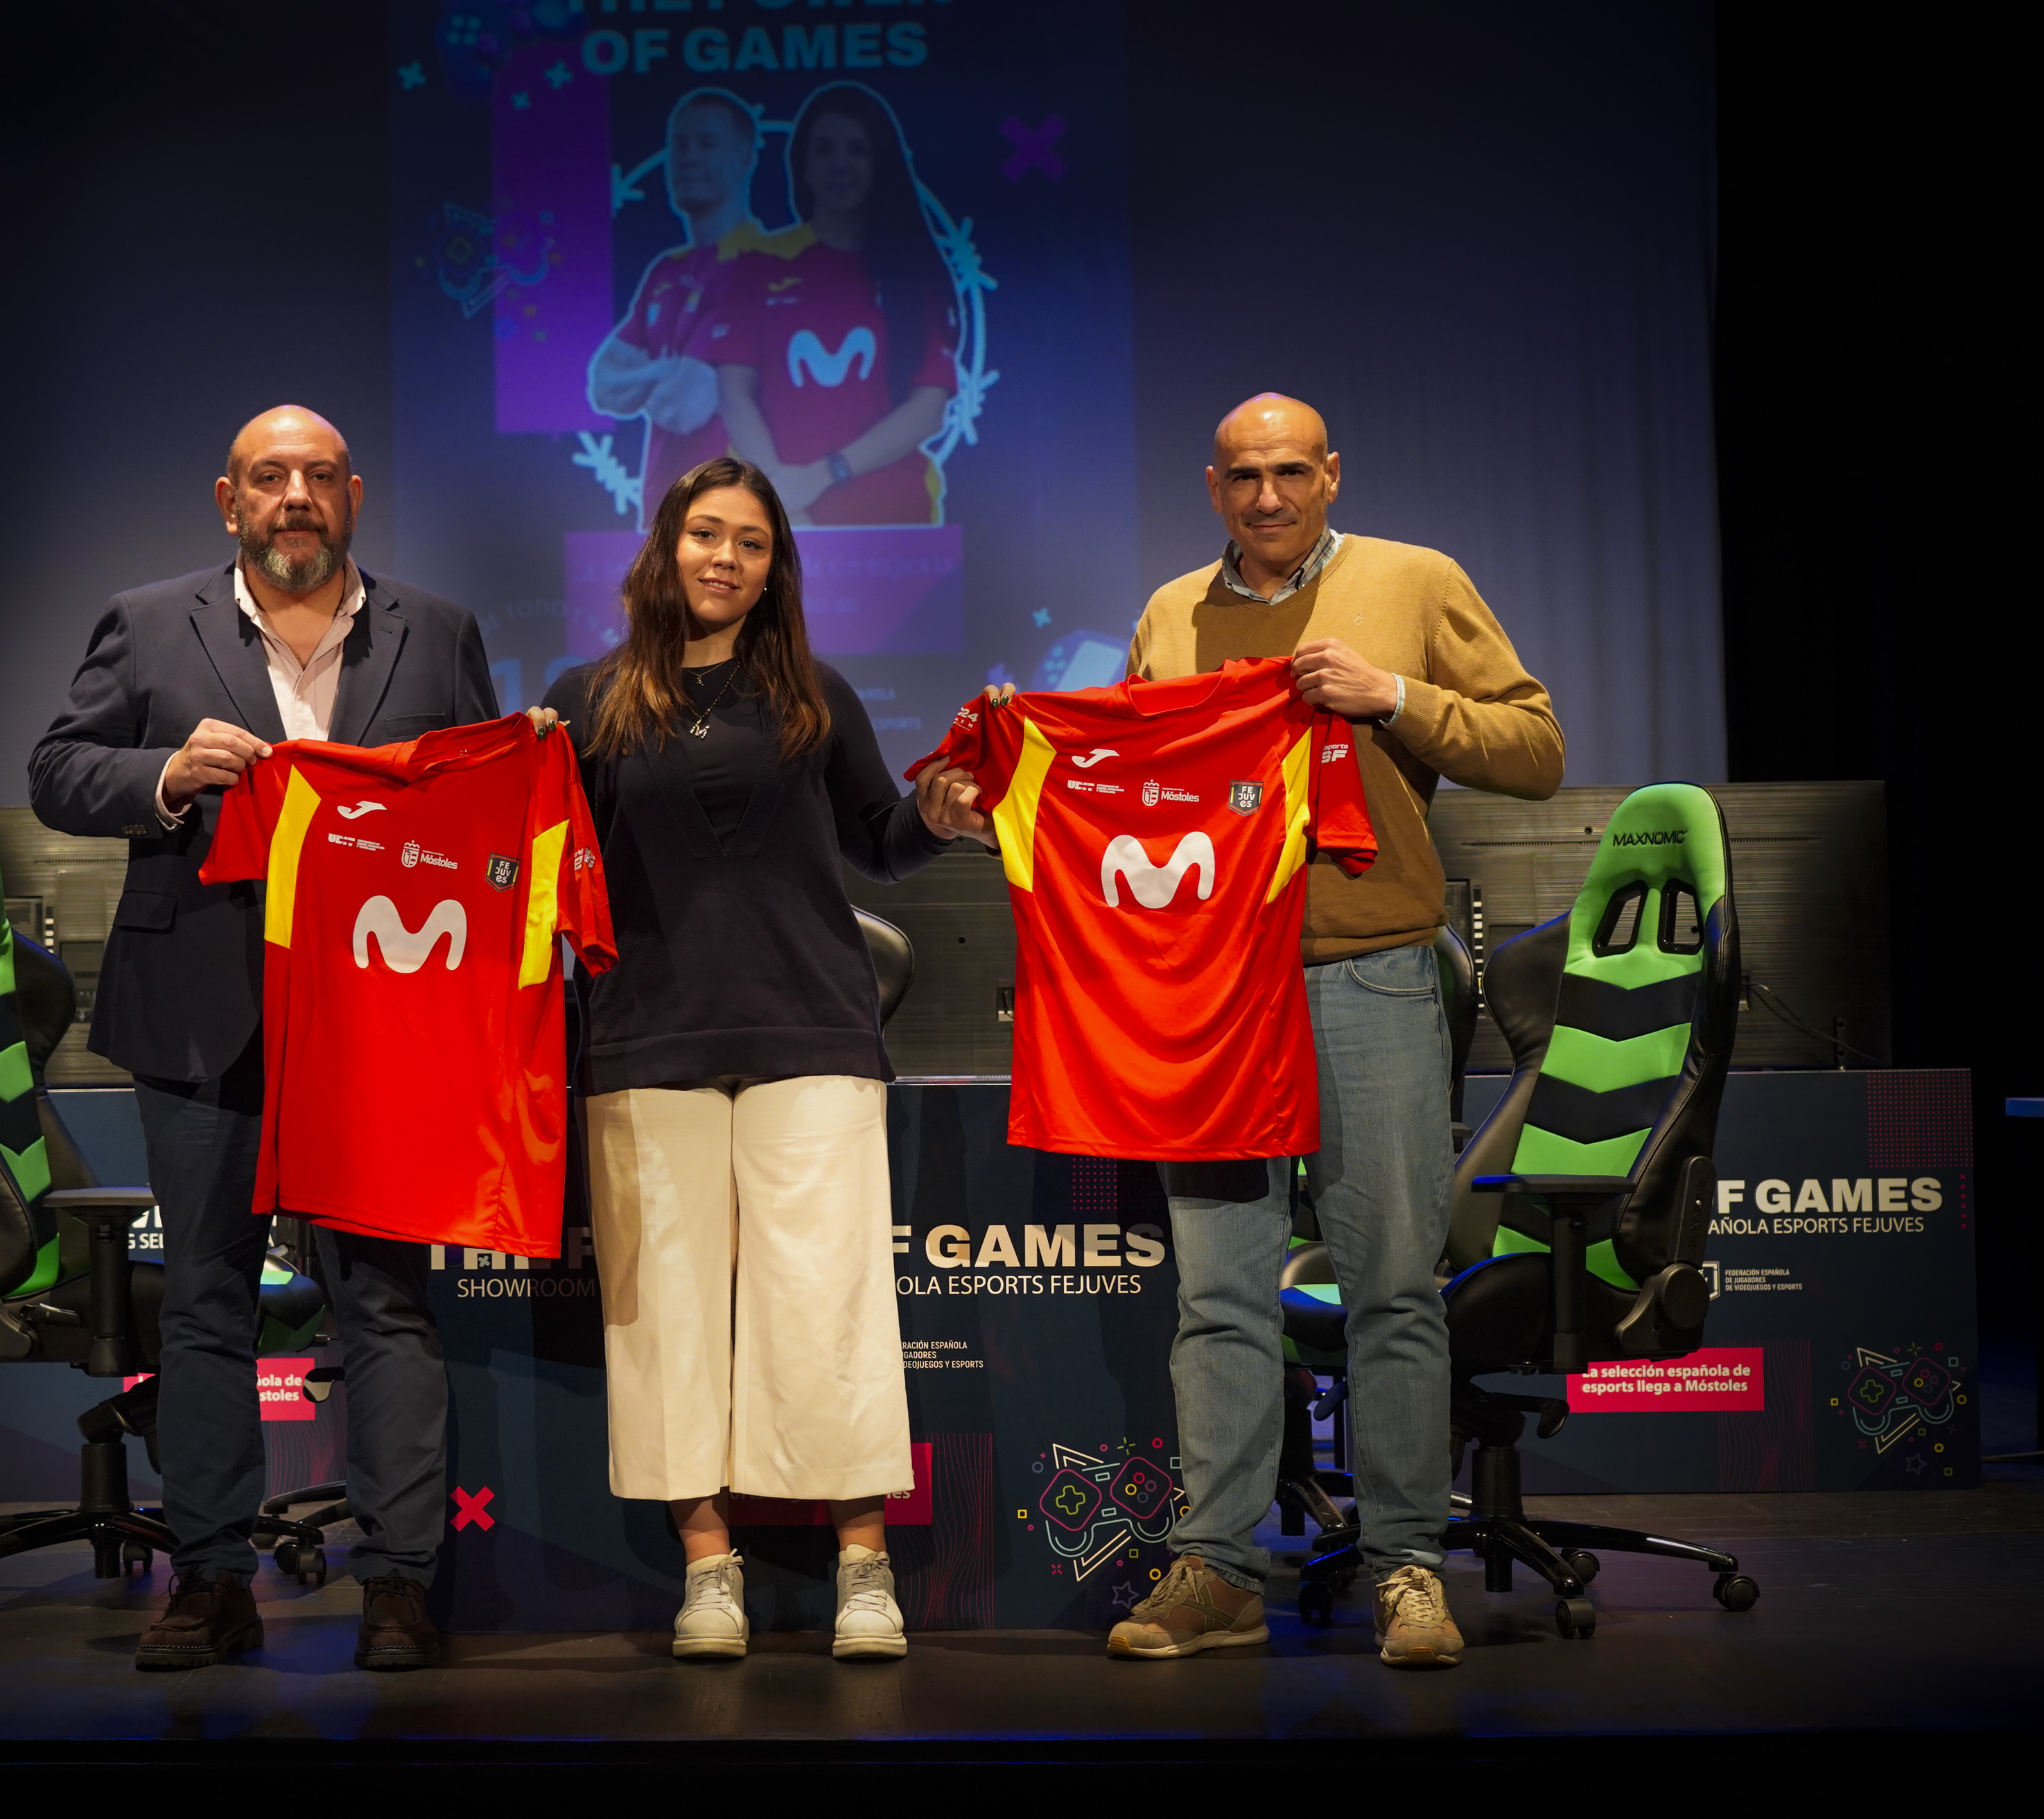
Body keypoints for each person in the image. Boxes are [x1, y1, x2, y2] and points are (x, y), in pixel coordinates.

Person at [29, 405, 499, 1674]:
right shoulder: (147, 622)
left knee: (385, 1306)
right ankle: (211, 1579)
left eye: (319, 476)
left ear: (355, 496)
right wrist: (165, 774)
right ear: (228, 500)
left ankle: (399, 1584)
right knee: (206, 1303)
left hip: (380, 1025)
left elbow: (482, 811)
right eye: (270, 476)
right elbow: (57, 769)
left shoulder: (439, 631)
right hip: (200, 1012)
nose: (296, 495)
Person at [1097, 393, 1564, 1669]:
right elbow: (1135, 789)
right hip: (1212, 994)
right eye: (1244, 475)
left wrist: (1394, 696)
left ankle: (1407, 1564)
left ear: (1332, 474)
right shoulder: (1170, 614)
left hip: (1373, 974)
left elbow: (1535, 748)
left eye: (1291, 471)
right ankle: (1220, 1568)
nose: (1268, 496)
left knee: (1392, 1287)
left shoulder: (1417, 581)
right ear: (1213, 486)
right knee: (1218, 1294)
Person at [537, 456, 988, 1661]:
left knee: (827, 1307)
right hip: (644, 1038)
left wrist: (938, 817)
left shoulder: (813, 693)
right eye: (705, 534)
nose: (725, 557)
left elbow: (880, 839)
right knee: (666, 1320)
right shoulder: (584, 702)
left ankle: (863, 1566)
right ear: (665, 547)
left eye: (750, 541)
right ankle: (708, 1567)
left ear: (775, 565)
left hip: (810, 1033)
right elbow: (536, 867)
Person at [707, 83, 958, 527]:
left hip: (896, 519)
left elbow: (928, 409)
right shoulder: (758, 266)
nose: (840, 163)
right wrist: (779, 498)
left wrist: (825, 474)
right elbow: (733, 391)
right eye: (824, 149)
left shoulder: (912, 272)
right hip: (785, 520)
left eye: (858, 150)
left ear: (880, 164)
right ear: (802, 165)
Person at [586, 89, 766, 522]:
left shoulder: (763, 265)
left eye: (707, 143)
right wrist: (666, 372)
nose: (688, 158)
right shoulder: (665, 271)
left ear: (745, 159)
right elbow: (603, 385)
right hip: (660, 513)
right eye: (680, 145)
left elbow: (686, 407)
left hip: (732, 511)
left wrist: (646, 378)